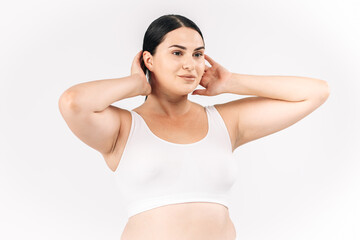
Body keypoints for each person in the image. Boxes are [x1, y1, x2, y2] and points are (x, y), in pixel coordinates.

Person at [58, 14, 330, 240]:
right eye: (177, 52)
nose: (190, 64)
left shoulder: (225, 122)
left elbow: (315, 92)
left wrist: (232, 82)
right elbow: (73, 102)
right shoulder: (123, 127)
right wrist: (135, 83)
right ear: (149, 60)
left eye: (198, 54)